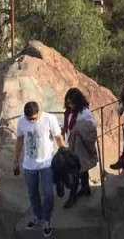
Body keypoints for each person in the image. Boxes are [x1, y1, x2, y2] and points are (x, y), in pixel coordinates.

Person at [14, 100, 64, 238]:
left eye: (33, 119)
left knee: (48, 194)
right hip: (29, 165)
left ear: (39, 112)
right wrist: (15, 161)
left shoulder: (49, 119)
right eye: (28, 119)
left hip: (46, 164)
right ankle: (37, 216)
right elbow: (19, 140)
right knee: (32, 194)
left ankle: (46, 220)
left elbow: (58, 137)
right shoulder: (21, 120)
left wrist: (64, 153)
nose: (30, 121)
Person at [59, 88, 98, 208]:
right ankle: (85, 188)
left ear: (78, 102)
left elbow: (91, 127)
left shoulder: (84, 112)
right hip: (72, 144)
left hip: (80, 145)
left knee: (75, 171)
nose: (70, 105)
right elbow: (68, 125)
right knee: (82, 168)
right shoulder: (68, 112)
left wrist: (78, 128)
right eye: (68, 103)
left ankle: (72, 195)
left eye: (72, 103)